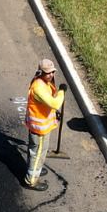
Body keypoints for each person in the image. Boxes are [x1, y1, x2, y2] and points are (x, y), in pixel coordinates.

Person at [23, 59, 65, 192]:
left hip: (40, 128)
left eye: (53, 72)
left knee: (37, 152)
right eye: (48, 73)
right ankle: (31, 181)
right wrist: (62, 92)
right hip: (39, 130)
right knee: (37, 154)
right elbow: (54, 103)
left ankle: (36, 169)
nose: (51, 75)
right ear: (41, 72)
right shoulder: (39, 88)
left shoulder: (43, 82)